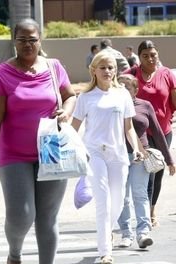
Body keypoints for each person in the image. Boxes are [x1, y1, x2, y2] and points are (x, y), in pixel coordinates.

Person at [0, 18, 76, 264]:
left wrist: (66, 112)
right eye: (22, 39)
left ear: (40, 40)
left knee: (47, 217)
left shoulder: (54, 67)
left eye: (32, 39)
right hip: (14, 154)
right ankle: (15, 253)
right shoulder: (2, 73)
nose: (27, 44)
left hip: (51, 150)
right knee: (22, 215)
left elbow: (70, 96)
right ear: (14, 41)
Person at [71, 51, 144, 264]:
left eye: (111, 67)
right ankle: (105, 251)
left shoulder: (122, 95)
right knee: (103, 200)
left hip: (118, 154)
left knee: (119, 200)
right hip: (94, 153)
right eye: (102, 67)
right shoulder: (85, 97)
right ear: (94, 70)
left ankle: (107, 232)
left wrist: (136, 148)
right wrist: (67, 149)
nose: (107, 71)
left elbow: (128, 127)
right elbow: (74, 128)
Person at [116, 74, 175, 250]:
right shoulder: (111, 106)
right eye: (119, 86)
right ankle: (126, 234)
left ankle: (143, 233)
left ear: (135, 89)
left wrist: (169, 159)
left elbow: (157, 132)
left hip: (139, 156)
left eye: (127, 87)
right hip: (117, 157)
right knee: (122, 197)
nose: (123, 89)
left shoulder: (145, 105)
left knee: (140, 194)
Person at [126, 40, 176, 228]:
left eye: (153, 54)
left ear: (158, 54)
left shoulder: (166, 74)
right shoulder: (131, 74)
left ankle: (151, 209)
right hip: (139, 133)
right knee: (146, 174)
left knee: (158, 171)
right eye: (145, 55)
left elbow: (174, 100)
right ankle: (144, 215)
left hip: (163, 131)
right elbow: (114, 87)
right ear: (139, 57)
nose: (150, 58)